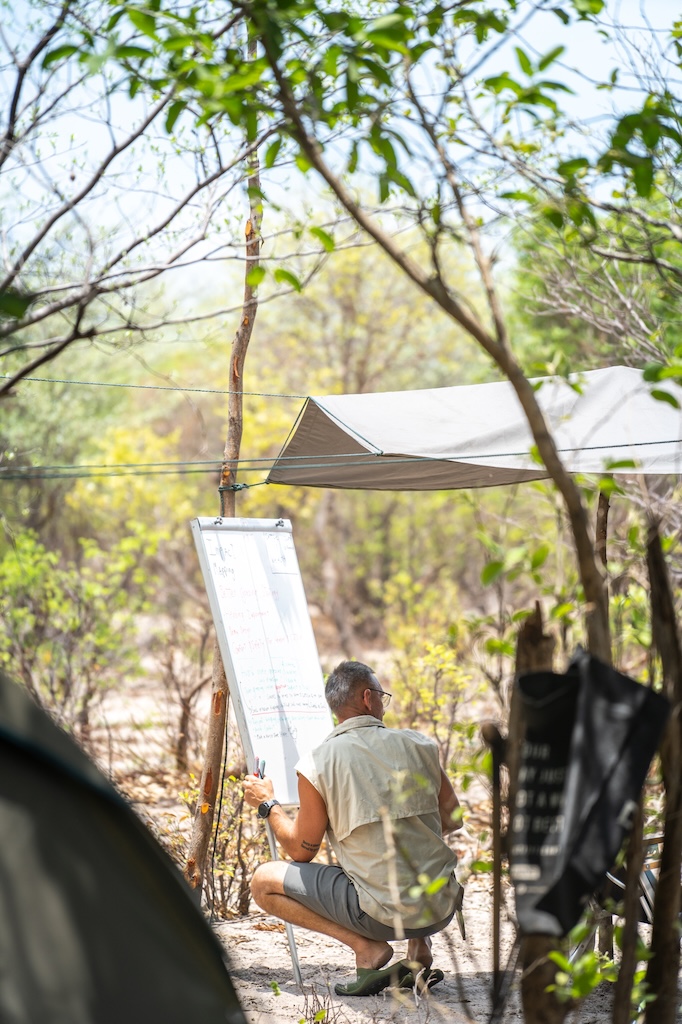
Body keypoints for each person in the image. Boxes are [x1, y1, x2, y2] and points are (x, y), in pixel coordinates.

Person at [242, 660, 463, 997]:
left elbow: (301, 850)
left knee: (263, 881)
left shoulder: (318, 762)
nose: (383, 703)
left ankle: (366, 948)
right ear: (367, 698)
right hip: (440, 906)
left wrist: (267, 804)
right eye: (382, 696)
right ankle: (420, 947)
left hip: (380, 917)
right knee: (411, 837)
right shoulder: (420, 745)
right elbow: (452, 818)